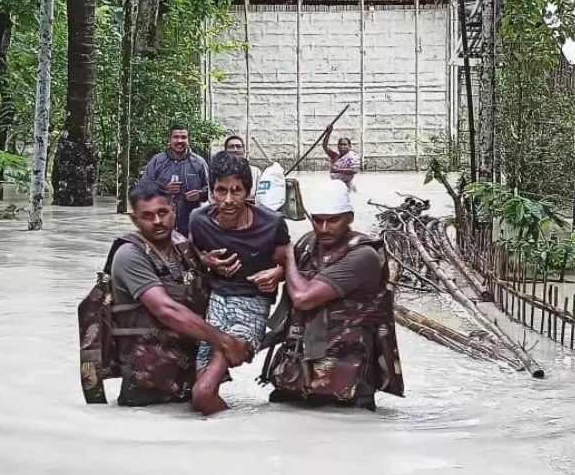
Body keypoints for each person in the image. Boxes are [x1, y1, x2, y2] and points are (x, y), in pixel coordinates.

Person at [258, 180, 404, 411]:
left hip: (345, 382)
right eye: (317, 220)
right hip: (296, 375)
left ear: (350, 218)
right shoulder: (307, 243)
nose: (324, 228)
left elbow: (303, 298)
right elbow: (294, 274)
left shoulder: (363, 255)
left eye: (333, 220)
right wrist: (278, 273)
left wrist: (286, 260)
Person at [103, 182, 251, 406]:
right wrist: (225, 342)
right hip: (147, 390)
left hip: (188, 380)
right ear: (135, 220)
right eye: (148, 216)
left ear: (173, 210)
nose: (158, 221)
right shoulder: (129, 255)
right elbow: (166, 310)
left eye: (163, 212)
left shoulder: (182, 245)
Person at [187, 152, 289, 414]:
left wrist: (277, 274)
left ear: (248, 191)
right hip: (215, 303)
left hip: (251, 305)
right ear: (211, 191)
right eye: (221, 191)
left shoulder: (271, 223)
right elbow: (190, 253)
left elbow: (293, 261)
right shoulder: (199, 221)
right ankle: (230, 434)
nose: (228, 200)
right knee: (200, 390)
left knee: (202, 393)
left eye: (236, 191)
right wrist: (205, 260)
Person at [141, 123, 210, 236]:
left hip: (190, 226)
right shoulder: (157, 161)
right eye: (176, 137)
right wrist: (163, 188)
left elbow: (212, 190)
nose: (179, 141)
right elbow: (143, 188)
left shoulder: (199, 163)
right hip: (160, 224)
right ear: (169, 139)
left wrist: (200, 194)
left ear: (189, 140)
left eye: (183, 137)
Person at [222, 134, 262, 200]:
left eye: (238, 147)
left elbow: (260, 197)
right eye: (231, 147)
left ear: (244, 150)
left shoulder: (255, 172)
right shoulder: (219, 172)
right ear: (225, 151)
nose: (235, 150)